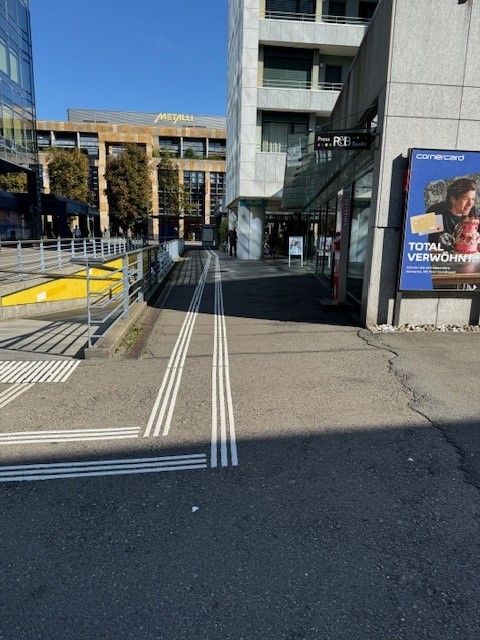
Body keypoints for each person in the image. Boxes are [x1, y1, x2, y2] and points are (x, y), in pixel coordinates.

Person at [428, 178, 478, 249]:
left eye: (472, 199)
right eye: (465, 199)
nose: (470, 204)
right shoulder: (435, 212)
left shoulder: (474, 213)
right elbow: (415, 239)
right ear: (452, 199)